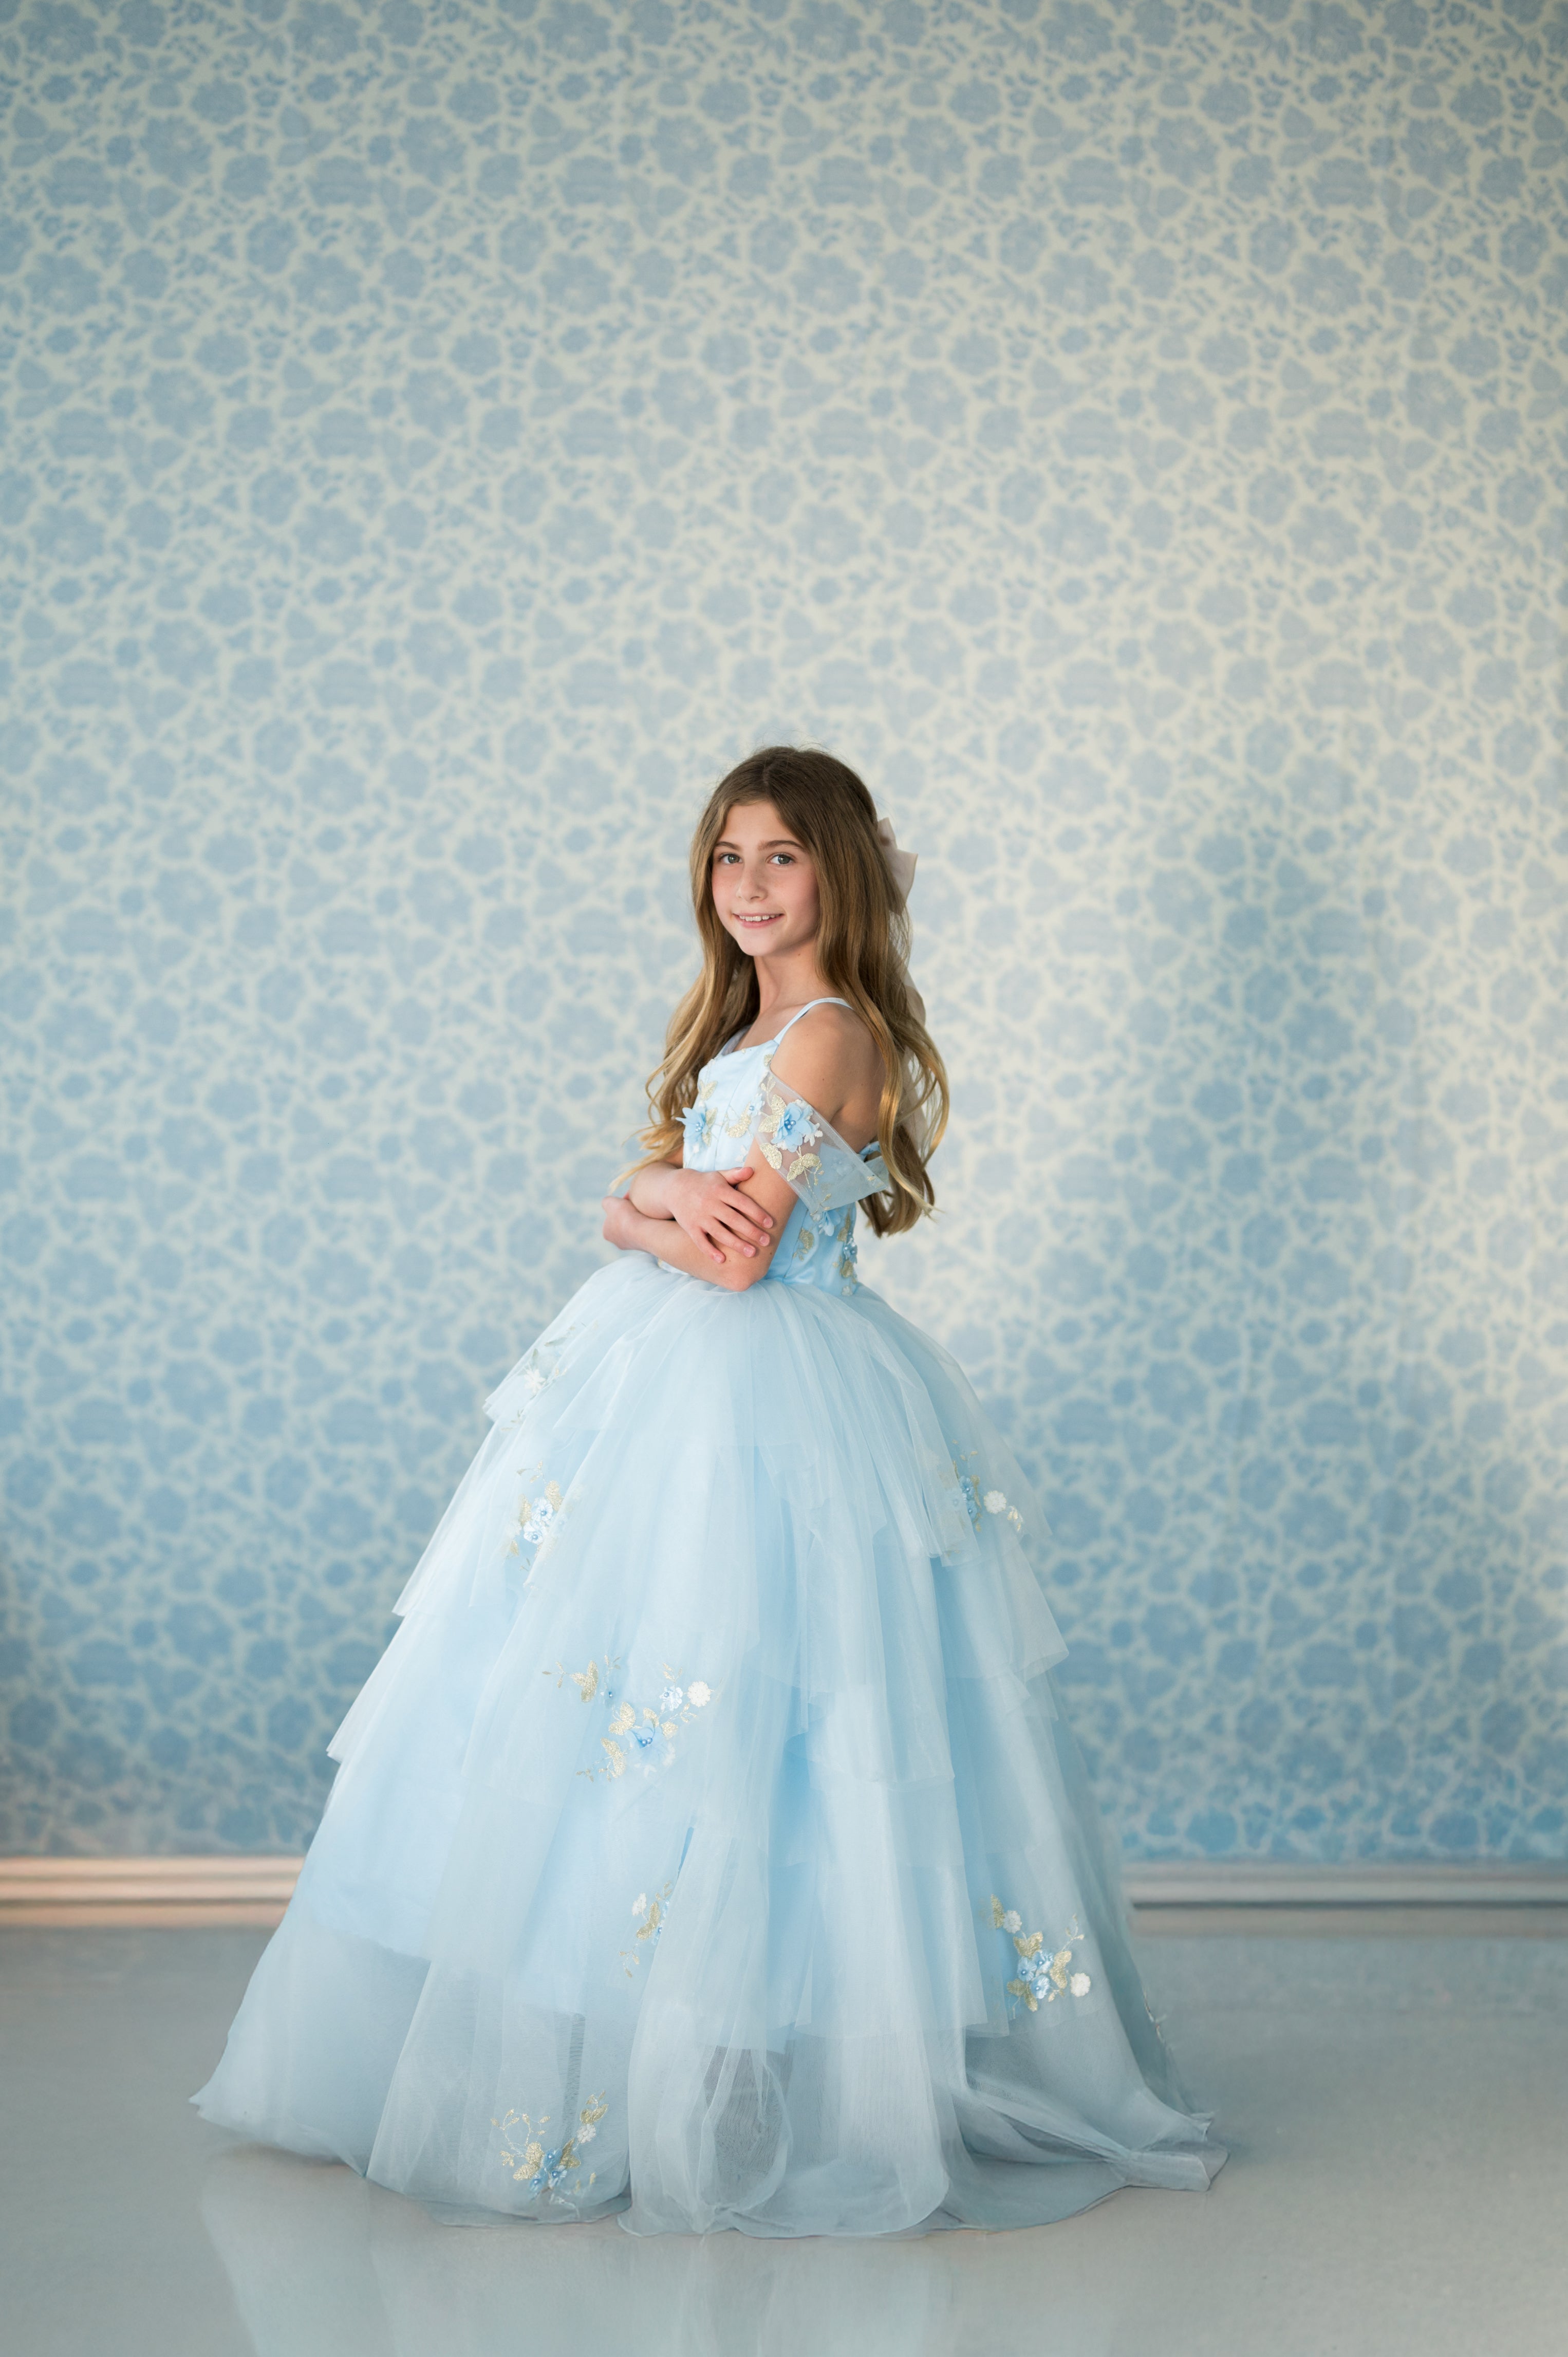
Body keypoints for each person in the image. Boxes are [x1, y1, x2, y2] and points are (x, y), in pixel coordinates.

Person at [193, 746, 1224, 2235]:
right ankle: (643, 2041)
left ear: (839, 874)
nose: (746, 885)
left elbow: (730, 1252)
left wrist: (643, 1204)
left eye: (780, 858)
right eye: (728, 857)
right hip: (670, 1391)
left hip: (765, 1402)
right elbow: (669, 1205)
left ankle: (747, 2066)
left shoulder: (829, 1033)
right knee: (630, 1703)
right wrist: (655, 1201)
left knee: (757, 1717)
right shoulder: (742, 1022)